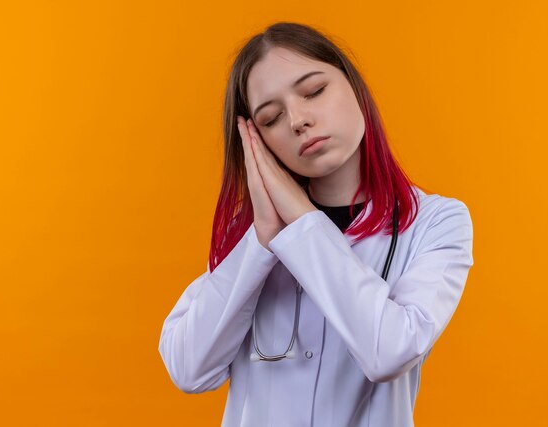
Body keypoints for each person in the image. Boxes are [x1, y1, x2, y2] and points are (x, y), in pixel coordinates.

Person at [158, 21, 474, 427]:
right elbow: (188, 369)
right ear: (257, 142)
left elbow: (390, 351)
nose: (297, 120)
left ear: (355, 88)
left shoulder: (435, 222)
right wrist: (262, 241)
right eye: (271, 119)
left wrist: (304, 223)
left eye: (313, 92)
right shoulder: (253, 235)